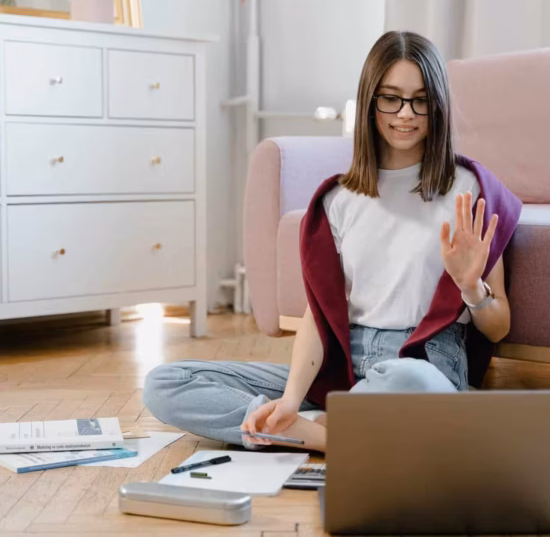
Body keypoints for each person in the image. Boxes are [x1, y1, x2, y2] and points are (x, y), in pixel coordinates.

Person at [142, 31, 522, 454]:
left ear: (438, 105)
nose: (405, 114)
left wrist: (472, 288)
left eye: (420, 100)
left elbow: (498, 324)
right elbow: (318, 317)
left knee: (413, 382)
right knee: (166, 383)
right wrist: (289, 399)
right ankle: (310, 428)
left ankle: (312, 435)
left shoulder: (471, 189)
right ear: (369, 101)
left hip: (425, 365)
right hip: (342, 367)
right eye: (390, 98)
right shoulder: (340, 199)